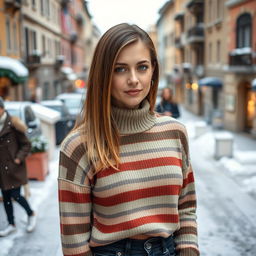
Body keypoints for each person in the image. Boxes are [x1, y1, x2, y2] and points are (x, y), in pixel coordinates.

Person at [58, 23, 199, 256]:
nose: (133, 79)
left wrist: (189, 251)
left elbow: (186, 208)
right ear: (104, 75)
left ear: (153, 69)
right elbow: (74, 244)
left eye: (142, 67)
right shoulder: (79, 146)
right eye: (120, 69)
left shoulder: (175, 132)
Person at [0, 97, 36, 237]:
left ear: (2, 108)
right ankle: (11, 224)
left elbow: (26, 144)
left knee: (16, 195)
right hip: (1, 170)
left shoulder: (14, 124)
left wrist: (17, 159)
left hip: (14, 168)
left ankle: (31, 214)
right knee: (6, 197)